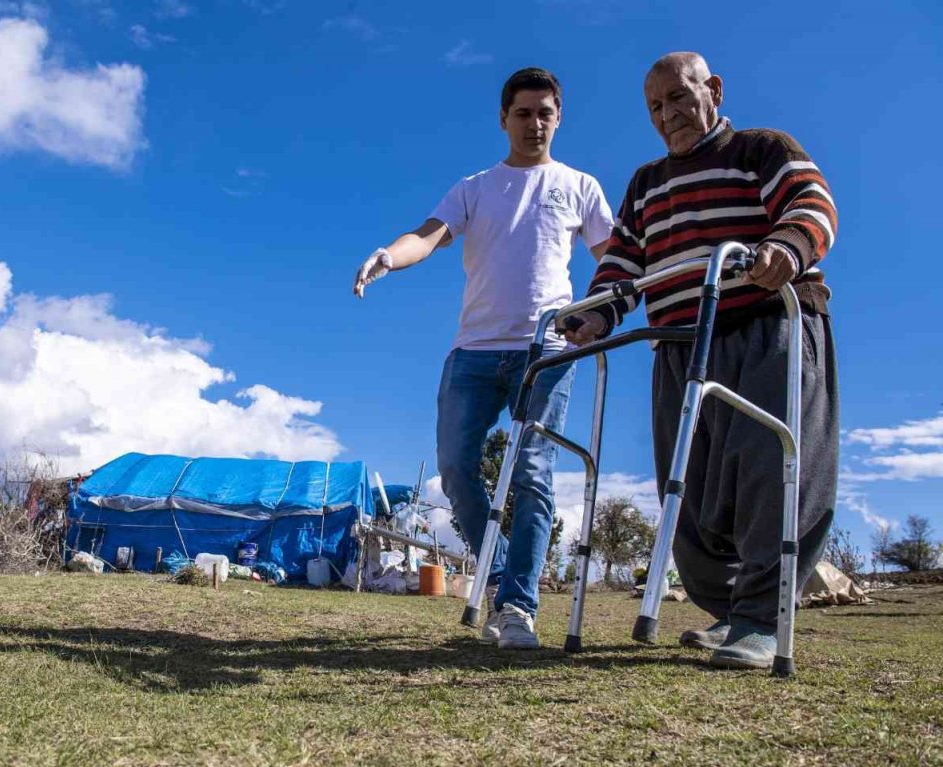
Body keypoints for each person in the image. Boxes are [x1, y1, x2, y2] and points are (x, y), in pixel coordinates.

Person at [566, 52, 839, 669]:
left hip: (765, 326)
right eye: (655, 108)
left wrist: (786, 247)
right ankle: (726, 611)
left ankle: (763, 619)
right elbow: (623, 265)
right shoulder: (645, 183)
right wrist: (596, 313)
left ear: (712, 89)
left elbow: (813, 206)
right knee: (687, 488)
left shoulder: (760, 149)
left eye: (679, 99)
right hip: (683, 343)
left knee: (769, 468)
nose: (668, 116)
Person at [353, 67, 613, 649]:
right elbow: (428, 234)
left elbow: (613, 259)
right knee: (455, 468)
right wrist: (388, 258)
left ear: (559, 117)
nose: (535, 123)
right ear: (504, 120)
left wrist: (597, 312)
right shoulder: (475, 187)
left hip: (545, 350)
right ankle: (497, 582)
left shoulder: (580, 186)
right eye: (523, 113)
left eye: (545, 113)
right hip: (472, 350)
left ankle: (518, 608)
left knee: (531, 471)